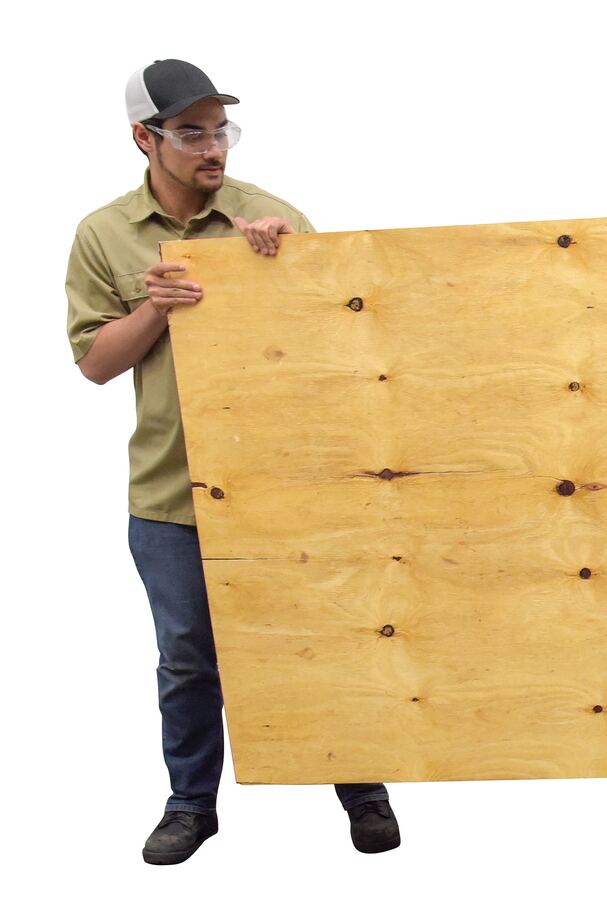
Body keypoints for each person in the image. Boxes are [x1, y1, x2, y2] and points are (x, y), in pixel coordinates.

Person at [64, 59, 402, 865]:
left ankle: (362, 789)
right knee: (188, 660)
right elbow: (95, 363)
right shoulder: (103, 234)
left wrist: (286, 272)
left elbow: (347, 344)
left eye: (221, 131)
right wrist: (156, 307)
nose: (213, 148)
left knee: (327, 634)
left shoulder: (271, 218)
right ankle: (191, 806)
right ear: (143, 138)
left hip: (288, 486)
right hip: (171, 493)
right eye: (191, 133)